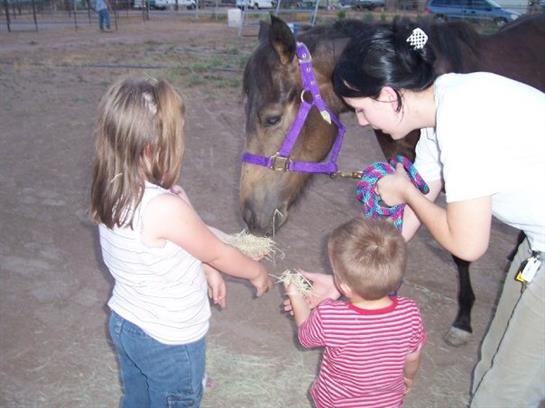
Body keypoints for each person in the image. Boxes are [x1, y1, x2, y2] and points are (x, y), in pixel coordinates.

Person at [290, 20, 544, 407]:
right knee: (494, 362)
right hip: (538, 245)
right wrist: (348, 281)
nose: (361, 121)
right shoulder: (440, 107)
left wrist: (405, 188)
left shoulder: (464, 121)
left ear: (390, 96)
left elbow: (468, 242)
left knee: (505, 394)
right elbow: (414, 209)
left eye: (361, 109)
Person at [90, 76, 273, 407]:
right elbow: (215, 250)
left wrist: (207, 270)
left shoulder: (112, 188)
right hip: (170, 342)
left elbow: (189, 242)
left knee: (137, 399)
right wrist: (254, 272)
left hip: (127, 324)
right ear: (152, 147)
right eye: (179, 135)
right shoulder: (164, 208)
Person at [284, 217, 426, 408]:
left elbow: (305, 336)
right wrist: (408, 377)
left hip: (336, 403)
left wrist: (295, 295)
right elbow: (412, 357)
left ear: (344, 286)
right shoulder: (410, 313)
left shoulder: (330, 316)